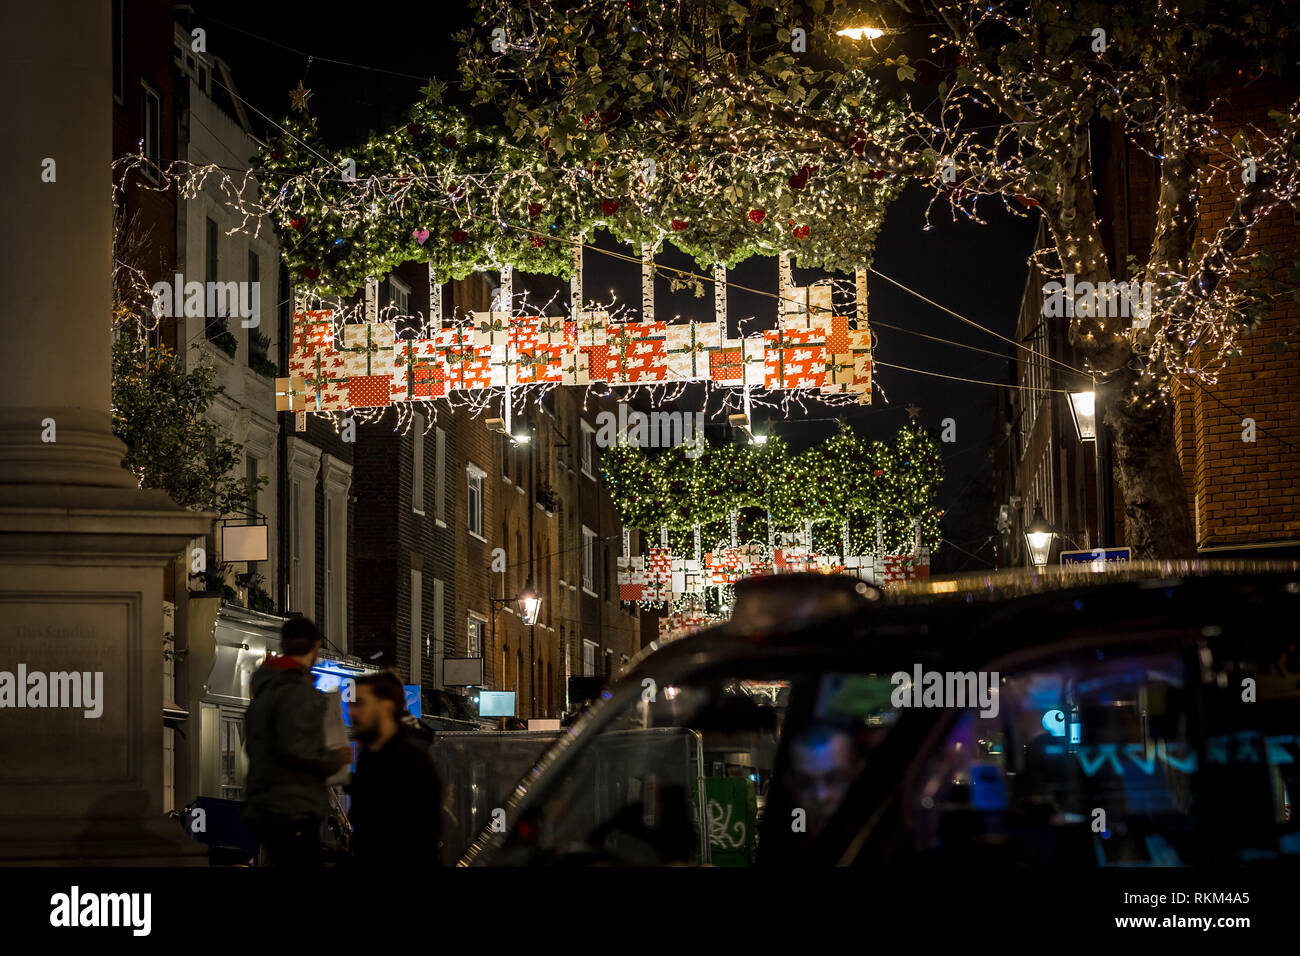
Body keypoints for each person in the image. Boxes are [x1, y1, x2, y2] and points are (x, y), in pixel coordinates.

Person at [242, 617, 351, 867]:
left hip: (267, 804)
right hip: (293, 805)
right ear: (316, 646)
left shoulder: (267, 688)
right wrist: (337, 758)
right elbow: (295, 748)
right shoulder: (297, 690)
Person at [347, 671, 443, 867]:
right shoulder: (371, 753)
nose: (351, 712)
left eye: (360, 703)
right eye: (351, 704)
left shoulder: (410, 759)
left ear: (386, 706)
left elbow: (414, 836)